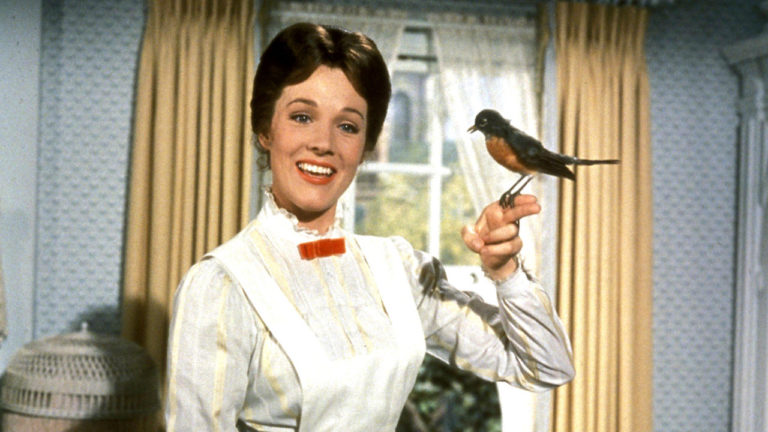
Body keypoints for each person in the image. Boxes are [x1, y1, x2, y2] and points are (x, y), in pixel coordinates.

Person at [164, 22, 574, 432]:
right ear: (265, 130)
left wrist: (505, 272)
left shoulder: (397, 269)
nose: (323, 143)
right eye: (302, 117)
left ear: (365, 147)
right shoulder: (222, 286)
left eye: (347, 126)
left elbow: (545, 366)